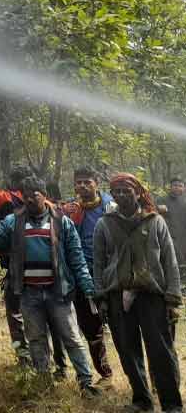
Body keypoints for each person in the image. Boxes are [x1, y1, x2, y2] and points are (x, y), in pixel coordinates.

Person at [0, 176, 99, 397]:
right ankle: (44, 383)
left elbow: (77, 259)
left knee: (71, 338)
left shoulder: (62, 222)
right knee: (36, 340)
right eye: (26, 195)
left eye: (35, 195)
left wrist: (88, 288)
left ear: (44, 196)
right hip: (29, 295)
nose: (30, 199)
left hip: (58, 293)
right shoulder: (14, 221)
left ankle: (86, 383)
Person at [0, 167, 68, 377]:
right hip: (48, 274)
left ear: (15, 184)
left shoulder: (10, 200)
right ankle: (60, 366)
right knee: (51, 321)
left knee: (17, 317)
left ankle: (25, 360)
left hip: (18, 273)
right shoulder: (47, 206)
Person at [94, 173, 182, 413]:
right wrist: (100, 297)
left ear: (138, 192)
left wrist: (173, 299)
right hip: (117, 295)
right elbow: (98, 263)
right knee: (128, 351)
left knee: (161, 352)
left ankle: (172, 404)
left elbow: (169, 261)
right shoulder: (105, 223)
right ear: (112, 195)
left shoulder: (154, 221)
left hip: (151, 295)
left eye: (127, 190)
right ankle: (142, 401)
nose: (122, 195)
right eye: (117, 191)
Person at [60, 166, 114, 382]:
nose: (82, 186)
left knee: (121, 328)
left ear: (97, 182)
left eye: (87, 182)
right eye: (78, 182)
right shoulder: (71, 210)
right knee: (91, 328)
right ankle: (106, 374)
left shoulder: (111, 206)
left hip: (110, 277)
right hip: (81, 278)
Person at [158, 177, 186, 286]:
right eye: (175, 185)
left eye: (180, 186)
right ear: (170, 187)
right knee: (170, 263)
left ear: (184, 188)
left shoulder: (184, 201)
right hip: (168, 237)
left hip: (183, 236)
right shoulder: (162, 200)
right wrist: (157, 208)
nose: (177, 188)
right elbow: (151, 212)